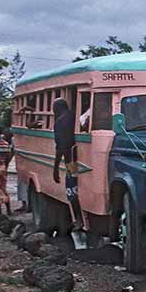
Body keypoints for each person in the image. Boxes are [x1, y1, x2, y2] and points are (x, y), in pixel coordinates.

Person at [51, 98, 85, 235]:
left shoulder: (60, 122)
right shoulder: (75, 116)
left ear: (57, 109)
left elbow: (61, 147)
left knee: (71, 190)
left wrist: (55, 169)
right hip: (82, 158)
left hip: (71, 161)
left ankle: (79, 219)